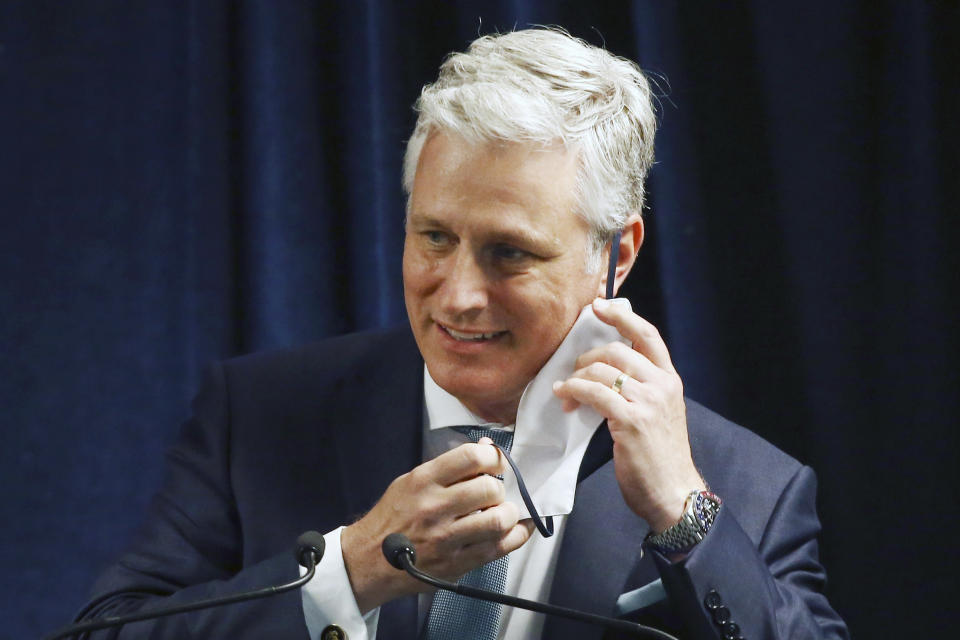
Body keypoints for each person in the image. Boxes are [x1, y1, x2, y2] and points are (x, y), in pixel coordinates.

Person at [73, 28, 847, 639]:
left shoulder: (746, 485)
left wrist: (686, 518)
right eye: (434, 237)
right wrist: (356, 570)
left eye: (509, 252)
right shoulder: (259, 415)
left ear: (617, 253)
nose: (461, 295)